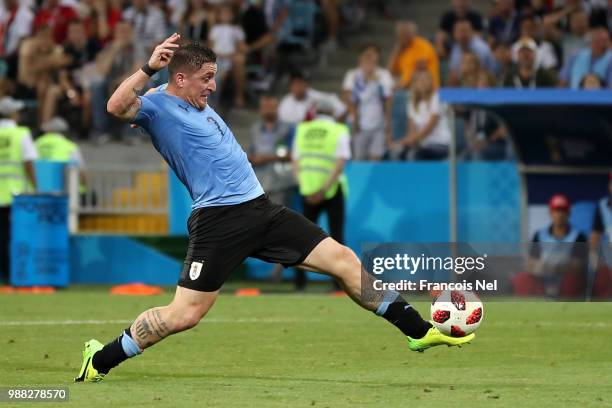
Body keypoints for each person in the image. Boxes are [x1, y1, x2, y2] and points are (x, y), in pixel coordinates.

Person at [74, 35, 474, 383]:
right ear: (179, 77)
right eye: (206, 78)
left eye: (214, 76)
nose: (213, 86)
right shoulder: (157, 105)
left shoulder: (195, 102)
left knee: (343, 259)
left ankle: (417, 330)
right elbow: (116, 106)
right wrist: (148, 67)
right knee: (184, 314)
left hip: (261, 210)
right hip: (219, 220)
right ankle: (101, 358)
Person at [291, 98, 350, 291]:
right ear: (332, 113)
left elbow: (296, 162)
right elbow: (340, 163)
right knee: (337, 237)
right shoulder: (339, 130)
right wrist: (324, 189)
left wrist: (304, 188)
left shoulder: (302, 130)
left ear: (315, 112)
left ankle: (299, 283)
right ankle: (339, 285)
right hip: (332, 190)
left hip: (308, 191)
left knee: (301, 237)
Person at [512, 194, 588, 298]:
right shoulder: (539, 235)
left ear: (569, 213)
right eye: (556, 210)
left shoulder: (578, 236)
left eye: (563, 210)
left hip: (566, 280)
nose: (560, 214)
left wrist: (556, 269)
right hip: (543, 278)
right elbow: (531, 262)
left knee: (571, 281)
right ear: (551, 213)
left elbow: (578, 266)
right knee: (522, 279)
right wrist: (543, 268)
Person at [0, 97, 37, 284]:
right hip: (16, 195)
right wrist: (36, 187)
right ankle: (14, 275)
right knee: (16, 237)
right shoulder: (20, 133)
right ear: (12, 114)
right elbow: (28, 163)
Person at [343, 44, 394, 161]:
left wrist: (388, 125)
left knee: (375, 158)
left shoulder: (383, 75)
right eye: (367, 60)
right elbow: (349, 98)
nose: (370, 64)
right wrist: (355, 120)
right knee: (359, 158)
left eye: (373, 60)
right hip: (360, 124)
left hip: (378, 123)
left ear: (376, 62)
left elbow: (388, 101)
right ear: (360, 61)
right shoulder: (354, 76)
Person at [394, 70, 451, 160]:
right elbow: (412, 130)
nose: (423, 82)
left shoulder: (437, 97)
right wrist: (403, 142)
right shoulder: (412, 102)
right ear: (415, 84)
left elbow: (431, 125)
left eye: (426, 79)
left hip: (441, 143)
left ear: (431, 82)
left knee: (415, 155)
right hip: (422, 144)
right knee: (397, 152)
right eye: (420, 80)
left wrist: (411, 140)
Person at [278, 71, 346, 126]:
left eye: (300, 83)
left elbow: (341, 108)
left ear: (307, 85)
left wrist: (336, 125)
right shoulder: (285, 103)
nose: (298, 87)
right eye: (295, 84)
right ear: (290, 86)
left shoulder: (317, 97)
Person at [386, 21, 440, 89]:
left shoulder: (422, 45)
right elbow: (389, 72)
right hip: (408, 89)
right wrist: (396, 50)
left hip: (427, 89)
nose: (403, 36)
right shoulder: (402, 50)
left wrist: (402, 85)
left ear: (412, 33)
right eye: (401, 33)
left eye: (405, 32)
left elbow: (420, 71)